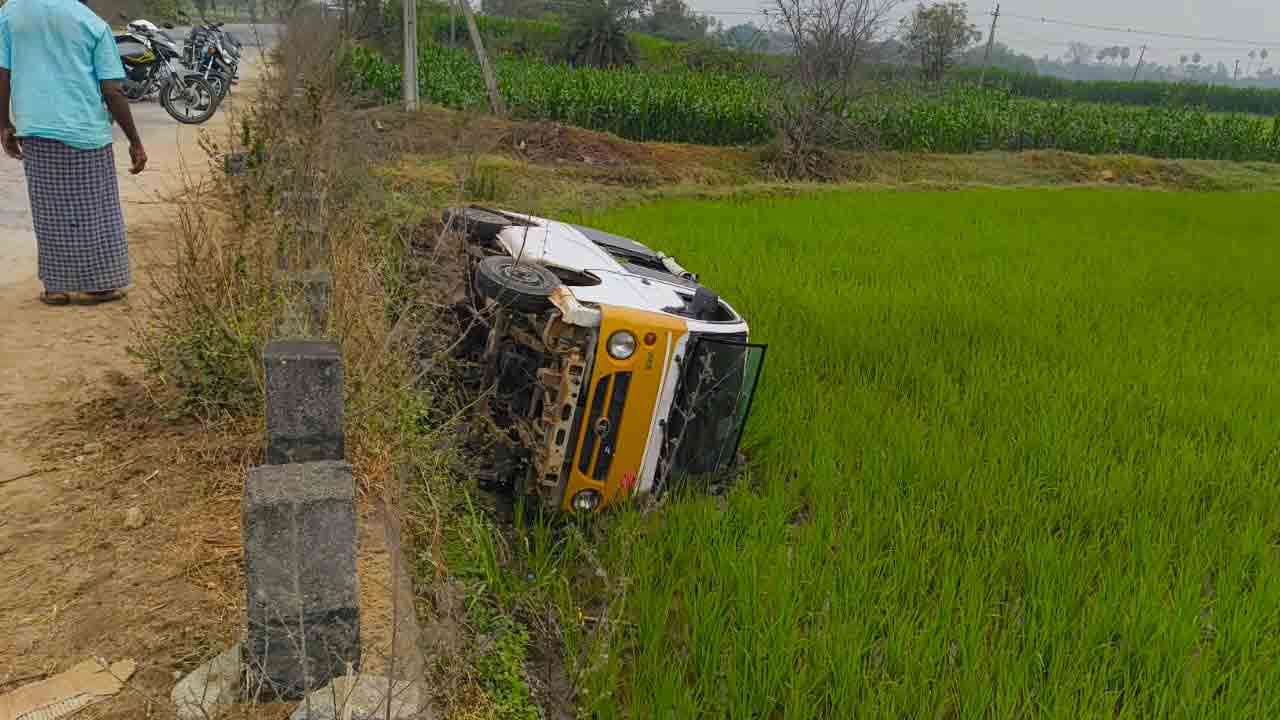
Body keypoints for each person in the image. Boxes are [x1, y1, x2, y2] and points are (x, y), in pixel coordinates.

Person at [0, 0, 147, 306]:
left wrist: (4, 124)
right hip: (86, 131)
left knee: (49, 211)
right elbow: (112, 90)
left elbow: (3, 73)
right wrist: (135, 141)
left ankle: (56, 288)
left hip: (36, 128)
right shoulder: (92, 24)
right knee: (95, 211)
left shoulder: (11, 13)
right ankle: (98, 287)